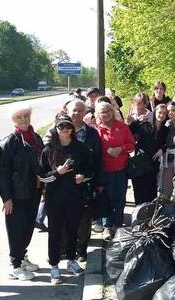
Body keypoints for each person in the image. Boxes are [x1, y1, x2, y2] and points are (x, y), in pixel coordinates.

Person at [44, 99, 102, 261]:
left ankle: (80, 251)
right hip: (56, 187)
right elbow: (44, 164)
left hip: (81, 186)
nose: (76, 113)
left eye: (79, 110)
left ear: (85, 113)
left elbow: (95, 160)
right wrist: (55, 174)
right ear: (66, 112)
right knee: (58, 224)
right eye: (73, 110)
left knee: (82, 220)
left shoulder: (91, 133)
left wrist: (89, 178)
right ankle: (61, 252)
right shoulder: (52, 136)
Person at [39, 116, 91, 284]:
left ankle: (71, 260)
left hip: (75, 196)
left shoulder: (81, 148)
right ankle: (54, 266)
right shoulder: (48, 150)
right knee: (54, 232)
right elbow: (41, 177)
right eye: (61, 127)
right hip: (54, 199)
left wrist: (83, 177)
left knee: (73, 230)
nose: (65, 130)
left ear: (72, 129)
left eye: (68, 127)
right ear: (56, 129)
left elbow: (91, 170)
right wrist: (57, 173)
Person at [0, 104, 43, 281]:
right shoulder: (8, 142)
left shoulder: (35, 138)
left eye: (26, 116)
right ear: (13, 121)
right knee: (16, 229)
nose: (23, 120)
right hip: (16, 194)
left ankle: (22, 257)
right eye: (19, 117)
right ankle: (14, 265)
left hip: (34, 191)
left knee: (29, 226)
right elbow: (2, 173)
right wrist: (6, 198)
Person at [94, 102, 135, 238]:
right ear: (98, 114)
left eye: (108, 111)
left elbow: (132, 145)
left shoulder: (122, 127)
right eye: (102, 112)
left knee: (120, 198)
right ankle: (107, 226)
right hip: (104, 171)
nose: (106, 114)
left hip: (121, 170)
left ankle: (117, 225)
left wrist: (121, 149)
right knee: (106, 199)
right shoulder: (97, 130)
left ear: (112, 111)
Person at [126, 93, 158, 205]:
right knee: (138, 186)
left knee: (150, 186)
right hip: (136, 158)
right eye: (137, 103)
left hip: (149, 156)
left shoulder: (152, 115)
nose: (139, 106)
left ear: (146, 103)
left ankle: (150, 212)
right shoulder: (131, 117)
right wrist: (130, 123)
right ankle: (139, 212)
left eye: (141, 103)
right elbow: (127, 136)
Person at [151, 103, 170, 196]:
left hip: (156, 161)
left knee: (153, 187)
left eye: (164, 113)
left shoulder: (166, 129)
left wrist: (162, 149)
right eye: (159, 112)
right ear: (155, 112)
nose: (161, 115)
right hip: (144, 161)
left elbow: (168, 143)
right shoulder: (146, 125)